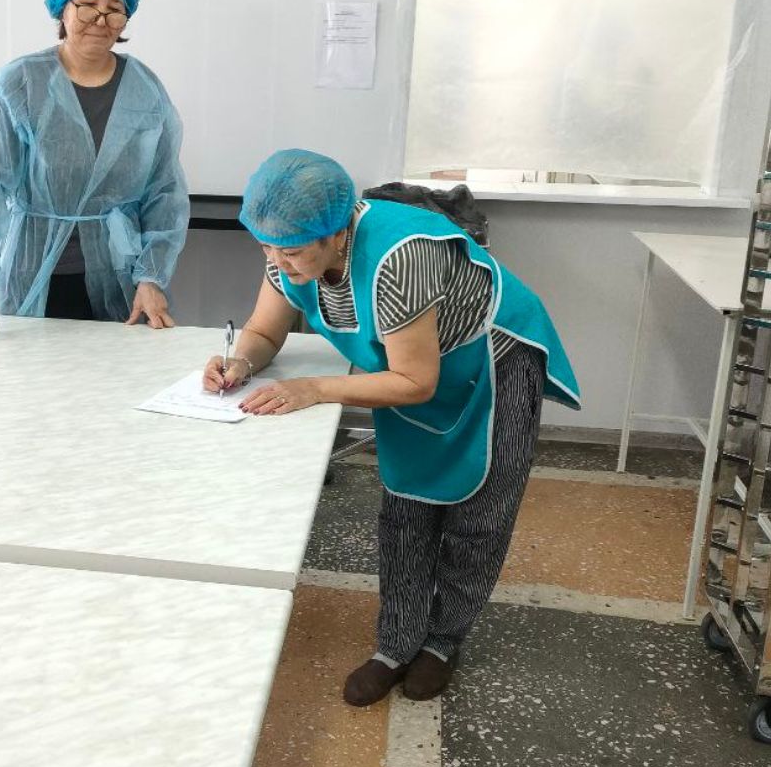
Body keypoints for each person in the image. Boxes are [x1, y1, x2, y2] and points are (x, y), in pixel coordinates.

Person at [204, 149, 580, 706]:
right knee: (405, 512)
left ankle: (443, 642)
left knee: (479, 517)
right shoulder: (288, 247)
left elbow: (415, 381)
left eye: (291, 252)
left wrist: (315, 388)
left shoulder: (399, 258)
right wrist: (240, 361)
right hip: (411, 368)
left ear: (336, 234)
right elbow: (264, 331)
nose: (279, 263)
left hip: (492, 362)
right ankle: (397, 644)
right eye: (266, 249)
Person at [0, 0, 189, 345]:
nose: (101, 18)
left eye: (115, 8)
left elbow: (164, 192)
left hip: (121, 274)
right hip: (35, 271)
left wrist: (151, 277)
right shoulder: (22, 83)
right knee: (31, 374)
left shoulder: (145, 89)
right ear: (63, 9)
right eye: (88, 4)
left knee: (119, 375)